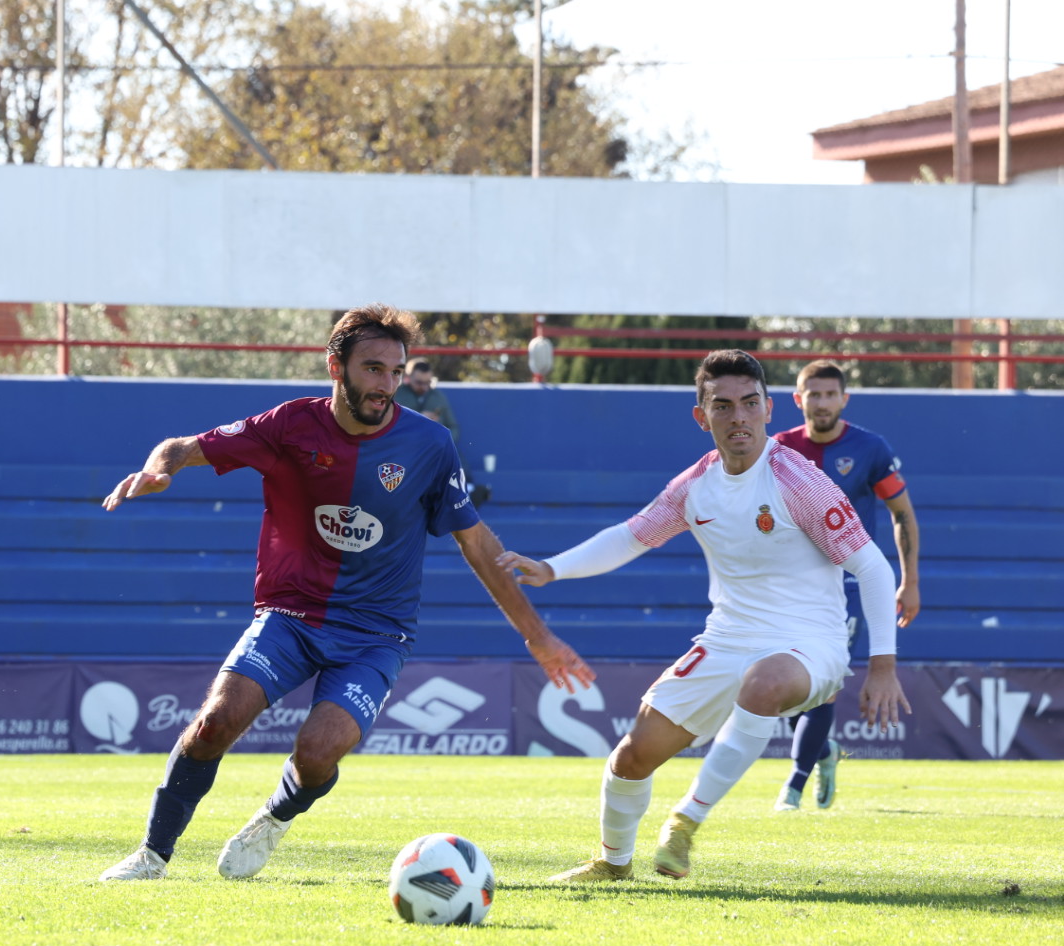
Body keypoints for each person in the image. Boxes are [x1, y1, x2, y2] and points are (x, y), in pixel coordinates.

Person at [97, 304, 594, 882]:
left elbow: (478, 545)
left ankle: (276, 815)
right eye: (373, 369)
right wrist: (161, 470)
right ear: (335, 366)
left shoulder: (430, 444)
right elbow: (182, 446)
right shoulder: (289, 426)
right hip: (289, 616)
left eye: (395, 371)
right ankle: (152, 855)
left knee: (316, 751)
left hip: (375, 636)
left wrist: (540, 638)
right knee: (214, 722)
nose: (387, 385)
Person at [497, 349, 910, 883]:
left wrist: (882, 666)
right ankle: (612, 863)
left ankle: (685, 823)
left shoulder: (798, 481)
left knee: (763, 683)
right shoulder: (694, 486)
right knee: (632, 757)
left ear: (768, 410)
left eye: (749, 403)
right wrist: (551, 568)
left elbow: (873, 568)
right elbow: (630, 536)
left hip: (812, 642)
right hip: (726, 640)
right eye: (723, 405)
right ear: (702, 416)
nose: (738, 416)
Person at [769, 361, 922, 812]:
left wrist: (909, 580)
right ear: (798, 400)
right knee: (786, 687)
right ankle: (824, 752)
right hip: (792, 589)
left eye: (829, 394)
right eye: (812, 395)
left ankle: (793, 787)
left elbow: (903, 514)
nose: (821, 403)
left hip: (849, 587)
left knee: (826, 682)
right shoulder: (778, 450)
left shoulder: (870, 449)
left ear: (844, 399)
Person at [395, 358, 490, 507]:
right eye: (419, 382)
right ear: (408, 378)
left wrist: (441, 434)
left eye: (428, 383)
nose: (424, 387)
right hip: (409, 446)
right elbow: (391, 426)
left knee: (453, 453)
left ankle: (467, 489)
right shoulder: (397, 395)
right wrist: (420, 418)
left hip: (435, 446)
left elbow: (454, 427)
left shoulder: (438, 396)